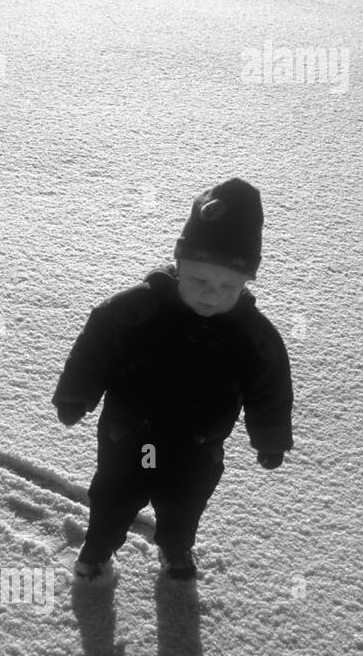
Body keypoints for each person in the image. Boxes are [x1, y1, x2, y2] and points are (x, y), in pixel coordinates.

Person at [52, 177, 294, 581]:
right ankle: (96, 550)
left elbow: (270, 388)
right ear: (179, 266)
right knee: (115, 496)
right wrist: (77, 394)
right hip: (130, 437)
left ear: (245, 283)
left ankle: (176, 549)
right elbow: (96, 347)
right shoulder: (136, 310)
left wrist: (270, 439)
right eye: (200, 280)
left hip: (197, 446)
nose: (212, 294)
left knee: (184, 504)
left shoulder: (253, 336)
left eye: (227, 285)